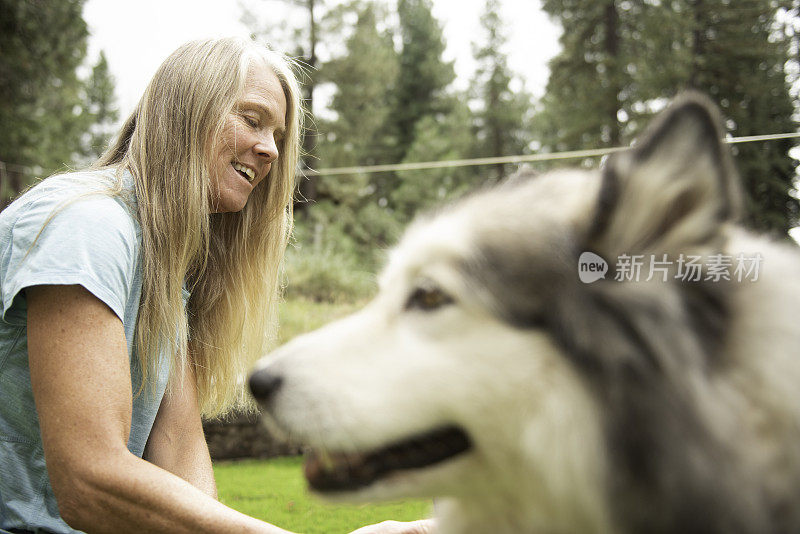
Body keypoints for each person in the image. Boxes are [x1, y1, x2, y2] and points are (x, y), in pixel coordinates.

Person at [0, 37, 434, 534]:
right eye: (252, 120)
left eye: (277, 133)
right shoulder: (90, 227)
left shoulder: (163, 265)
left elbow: (181, 455)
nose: (271, 148)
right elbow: (89, 480)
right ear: (187, 112)